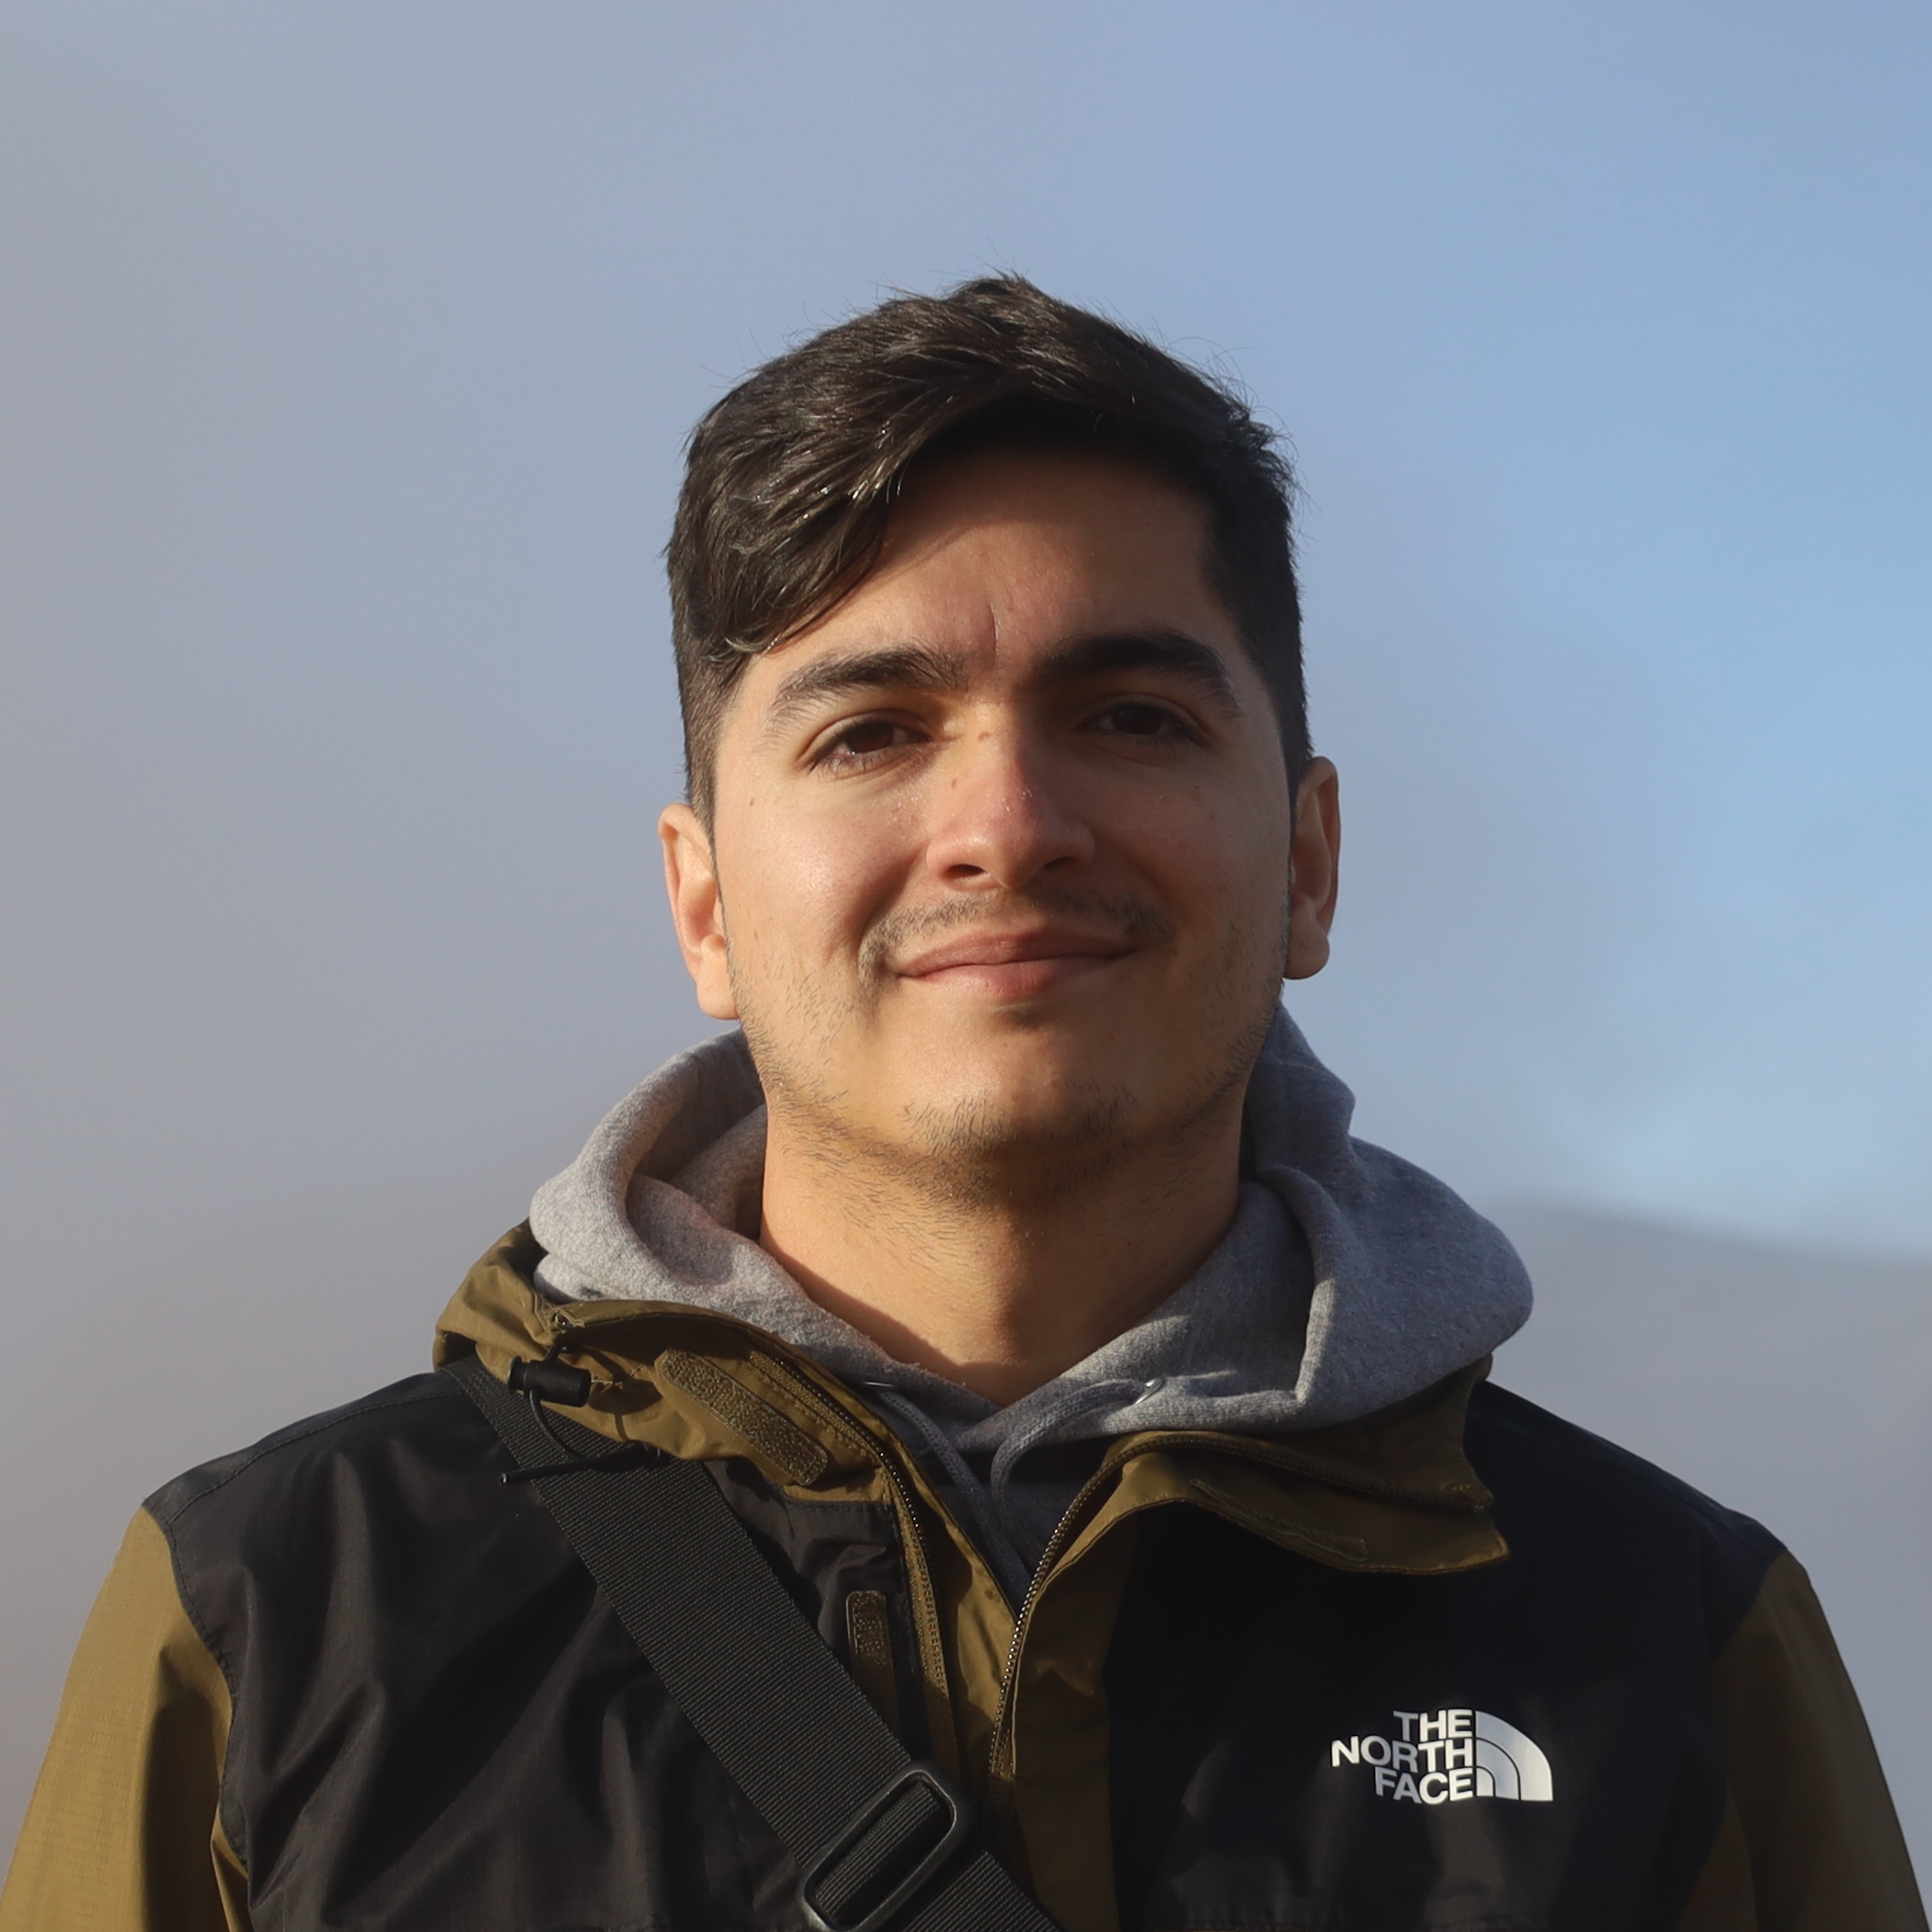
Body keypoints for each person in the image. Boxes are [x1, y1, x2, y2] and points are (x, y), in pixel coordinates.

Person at [2, 276, 1921, 1932]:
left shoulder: (1668, 1637)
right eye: (870, 732)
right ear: (705, 903)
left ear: (1309, 861)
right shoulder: (271, 1618)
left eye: (1132, 716)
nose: (1006, 823)